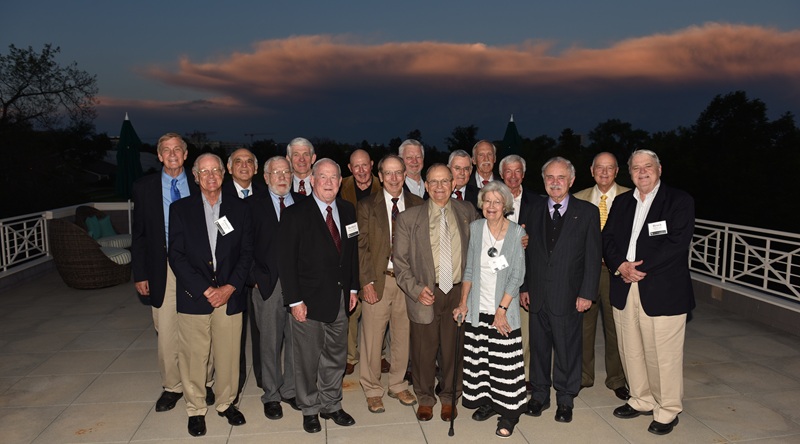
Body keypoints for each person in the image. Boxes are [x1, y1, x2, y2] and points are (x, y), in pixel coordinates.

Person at [603, 149, 695, 435]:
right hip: (624, 285)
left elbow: (677, 243)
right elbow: (606, 239)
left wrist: (638, 268)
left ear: (659, 169)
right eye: (636, 168)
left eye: (648, 167)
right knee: (630, 349)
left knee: (662, 355)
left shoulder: (679, 201)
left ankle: (667, 409)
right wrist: (621, 266)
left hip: (662, 289)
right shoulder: (621, 202)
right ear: (629, 173)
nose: (642, 172)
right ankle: (641, 399)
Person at [169, 153, 254, 437]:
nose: (210, 176)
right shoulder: (181, 209)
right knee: (194, 355)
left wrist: (229, 288)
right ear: (195, 177)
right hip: (195, 295)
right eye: (203, 171)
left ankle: (226, 403)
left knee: (229, 354)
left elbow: (246, 253)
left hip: (230, 295)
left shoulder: (240, 209)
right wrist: (205, 289)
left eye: (215, 170)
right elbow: (176, 256)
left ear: (223, 173)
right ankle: (195, 409)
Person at [131, 132, 214, 412]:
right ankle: (172, 386)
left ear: (186, 154)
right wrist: (140, 273)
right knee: (166, 329)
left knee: (202, 326)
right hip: (161, 266)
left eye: (177, 149)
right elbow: (139, 234)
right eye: (166, 150)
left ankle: (206, 381)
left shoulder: (201, 181)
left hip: (196, 265)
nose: (172, 154)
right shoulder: (144, 188)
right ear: (158, 155)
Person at [278, 158, 359, 434]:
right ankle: (310, 409)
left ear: (340, 182)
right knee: (307, 359)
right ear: (311, 180)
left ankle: (332, 404)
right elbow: (286, 262)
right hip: (308, 302)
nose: (328, 182)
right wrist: (294, 301)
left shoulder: (348, 211)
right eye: (322, 177)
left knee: (336, 357)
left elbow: (352, 255)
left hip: (339, 299)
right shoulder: (295, 214)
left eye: (333, 177)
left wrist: (352, 288)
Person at [393, 164, 479, 422]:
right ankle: (426, 398)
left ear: (454, 184)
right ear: (426, 186)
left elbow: (479, 248)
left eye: (445, 181)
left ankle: (449, 397)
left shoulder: (467, 211)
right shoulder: (409, 218)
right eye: (434, 182)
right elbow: (400, 263)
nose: (440, 187)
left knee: (454, 348)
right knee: (423, 351)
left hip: (457, 291)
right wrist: (417, 291)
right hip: (426, 293)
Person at [520, 157, 601, 423]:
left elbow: (592, 256)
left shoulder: (587, 212)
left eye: (561, 178)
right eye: (550, 178)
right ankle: (540, 395)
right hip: (538, 294)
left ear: (572, 180)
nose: (555, 183)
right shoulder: (531, 210)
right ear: (543, 180)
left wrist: (587, 293)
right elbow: (525, 254)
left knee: (568, 349)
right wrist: (524, 287)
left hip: (570, 296)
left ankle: (565, 399)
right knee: (540, 348)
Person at [452, 181, 527, 438]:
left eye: (497, 202)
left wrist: (501, 310)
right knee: (482, 361)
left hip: (502, 309)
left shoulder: (516, 232)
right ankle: (489, 403)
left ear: (505, 205)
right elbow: (470, 270)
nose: (491, 206)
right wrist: (463, 303)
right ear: (481, 204)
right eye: (487, 201)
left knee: (505, 364)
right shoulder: (476, 228)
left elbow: (517, 276)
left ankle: (509, 414)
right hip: (477, 308)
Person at [357, 154, 423, 413]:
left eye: (399, 173)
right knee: (372, 340)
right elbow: (361, 246)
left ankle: (397, 383)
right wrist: (366, 282)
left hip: (407, 283)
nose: (394, 178)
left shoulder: (419, 204)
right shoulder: (366, 206)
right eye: (389, 173)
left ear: (405, 174)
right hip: (378, 281)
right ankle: (372, 389)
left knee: (402, 337)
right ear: (381, 176)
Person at [249, 156, 304, 420]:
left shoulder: (304, 205)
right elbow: (242, 247)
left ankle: (290, 390)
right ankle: (271, 394)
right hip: (268, 285)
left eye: (286, 172)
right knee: (270, 342)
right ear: (266, 177)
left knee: (296, 340)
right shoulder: (252, 206)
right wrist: (255, 278)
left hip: (300, 287)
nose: (282, 177)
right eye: (276, 172)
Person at [573, 152, 631, 401]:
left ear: (617, 171)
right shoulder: (577, 198)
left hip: (617, 272)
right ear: (591, 170)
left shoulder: (631, 197)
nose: (604, 172)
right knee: (583, 327)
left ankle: (616, 378)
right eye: (600, 168)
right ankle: (584, 376)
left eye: (610, 168)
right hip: (586, 271)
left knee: (615, 327)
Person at [222, 147, 266, 400]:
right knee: (233, 334)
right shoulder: (219, 193)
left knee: (262, 331)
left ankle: (264, 378)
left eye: (250, 161)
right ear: (229, 168)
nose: (244, 165)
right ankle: (234, 383)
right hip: (233, 276)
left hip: (259, 277)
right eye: (238, 161)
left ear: (256, 168)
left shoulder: (264, 193)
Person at [498, 154, 543, 391]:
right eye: (508, 171)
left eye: (517, 172)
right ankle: (500, 373)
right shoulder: (491, 201)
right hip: (498, 275)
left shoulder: (537, 202)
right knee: (499, 327)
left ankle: (524, 377)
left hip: (527, 276)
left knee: (525, 331)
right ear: (501, 175)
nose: (513, 176)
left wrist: (529, 240)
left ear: (523, 175)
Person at [339, 149, 382, 376]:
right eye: (356, 166)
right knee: (351, 310)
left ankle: (380, 354)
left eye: (365, 165)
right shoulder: (340, 186)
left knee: (377, 309)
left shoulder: (384, 184)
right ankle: (349, 356)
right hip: (349, 256)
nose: (361, 170)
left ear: (372, 165)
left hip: (375, 257)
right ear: (349, 168)